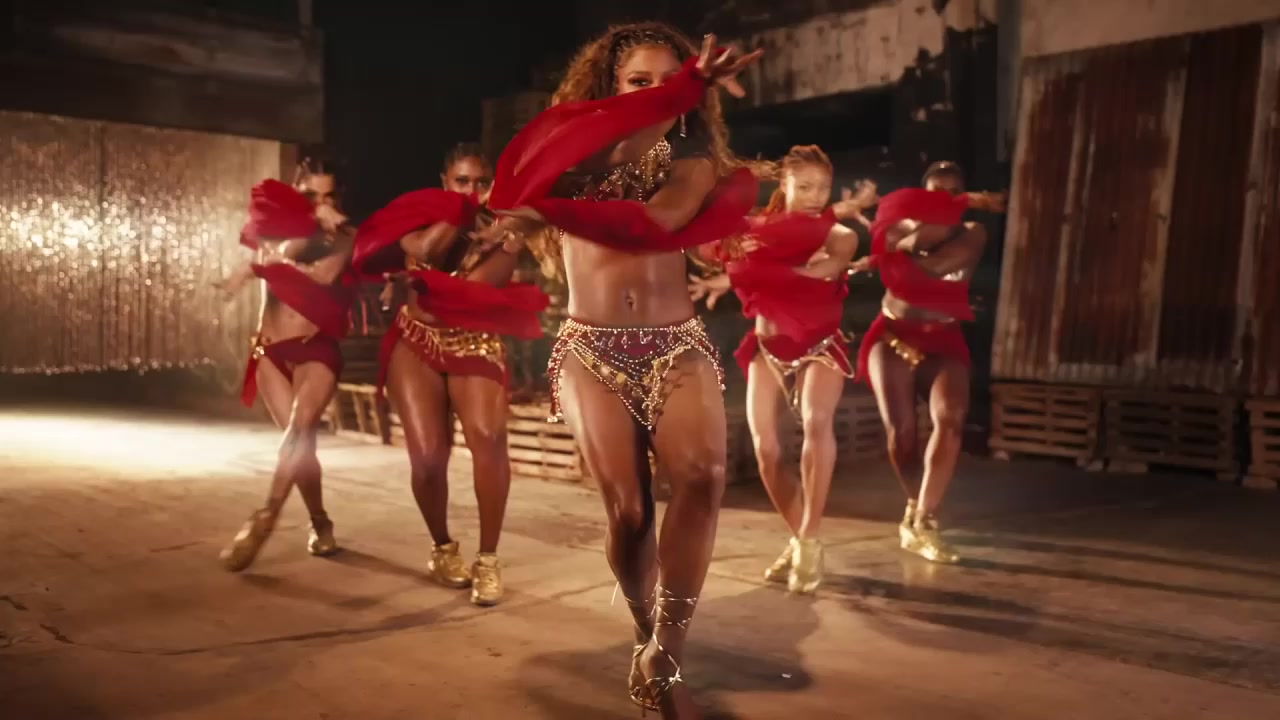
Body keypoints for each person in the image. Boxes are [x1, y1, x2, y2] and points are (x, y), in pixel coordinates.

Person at [481, 24, 761, 718]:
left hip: (676, 343)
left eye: (669, 79)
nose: (657, 92)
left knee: (703, 476)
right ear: (608, 88)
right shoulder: (572, 156)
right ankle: (644, 628)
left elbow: (657, 223)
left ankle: (667, 654)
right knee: (630, 513)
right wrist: (679, 90)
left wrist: (679, 98)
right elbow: (570, 171)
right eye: (641, 82)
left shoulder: (692, 161)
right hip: (590, 349)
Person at [351, 145, 547, 606]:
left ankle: (488, 559)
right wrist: (458, 211)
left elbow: (476, 289)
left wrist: (502, 232)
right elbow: (426, 250)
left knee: (488, 438)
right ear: (444, 182)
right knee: (426, 459)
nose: (473, 190)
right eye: (462, 182)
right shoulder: (416, 217)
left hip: (473, 340)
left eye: (481, 182)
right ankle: (442, 548)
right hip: (416, 339)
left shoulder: (504, 230)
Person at [688, 145, 875, 594]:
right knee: (767, 451)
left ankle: (809, 538)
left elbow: (819, 274)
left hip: (819, 346)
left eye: (823, 188)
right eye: (804, 186)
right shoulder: (754, 231)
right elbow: (707, 247)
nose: (815, 196)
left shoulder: (841, 236)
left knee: (815, 421)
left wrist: (740, 274)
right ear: (784, 185)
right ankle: (801, 539)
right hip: (768, 348)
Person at [856, 161, 1004, 564]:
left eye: (954, 193)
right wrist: (891, 246)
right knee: (901, 433)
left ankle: (926, 519)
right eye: (935, 193)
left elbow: (937, 264)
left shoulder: (973, 231)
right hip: (892, 336)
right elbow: (891, 242)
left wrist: (890, 255)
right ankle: (912, 502)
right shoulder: (904, 227)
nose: (944, 200)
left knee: (950, 417)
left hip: (943, 338)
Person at [218, 155, 355, 572]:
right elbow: (273, 254)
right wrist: (249, 271)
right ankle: (320, 521)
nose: (319, 203)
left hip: (316, 348)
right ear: (296, 191)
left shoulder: (343, 236)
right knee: (301, 447)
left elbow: (324, 276)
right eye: (310, 195)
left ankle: (265, 517)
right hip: (270, 352)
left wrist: (260, 267)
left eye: (327, 196)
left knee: (299, 430)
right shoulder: (274, 228)